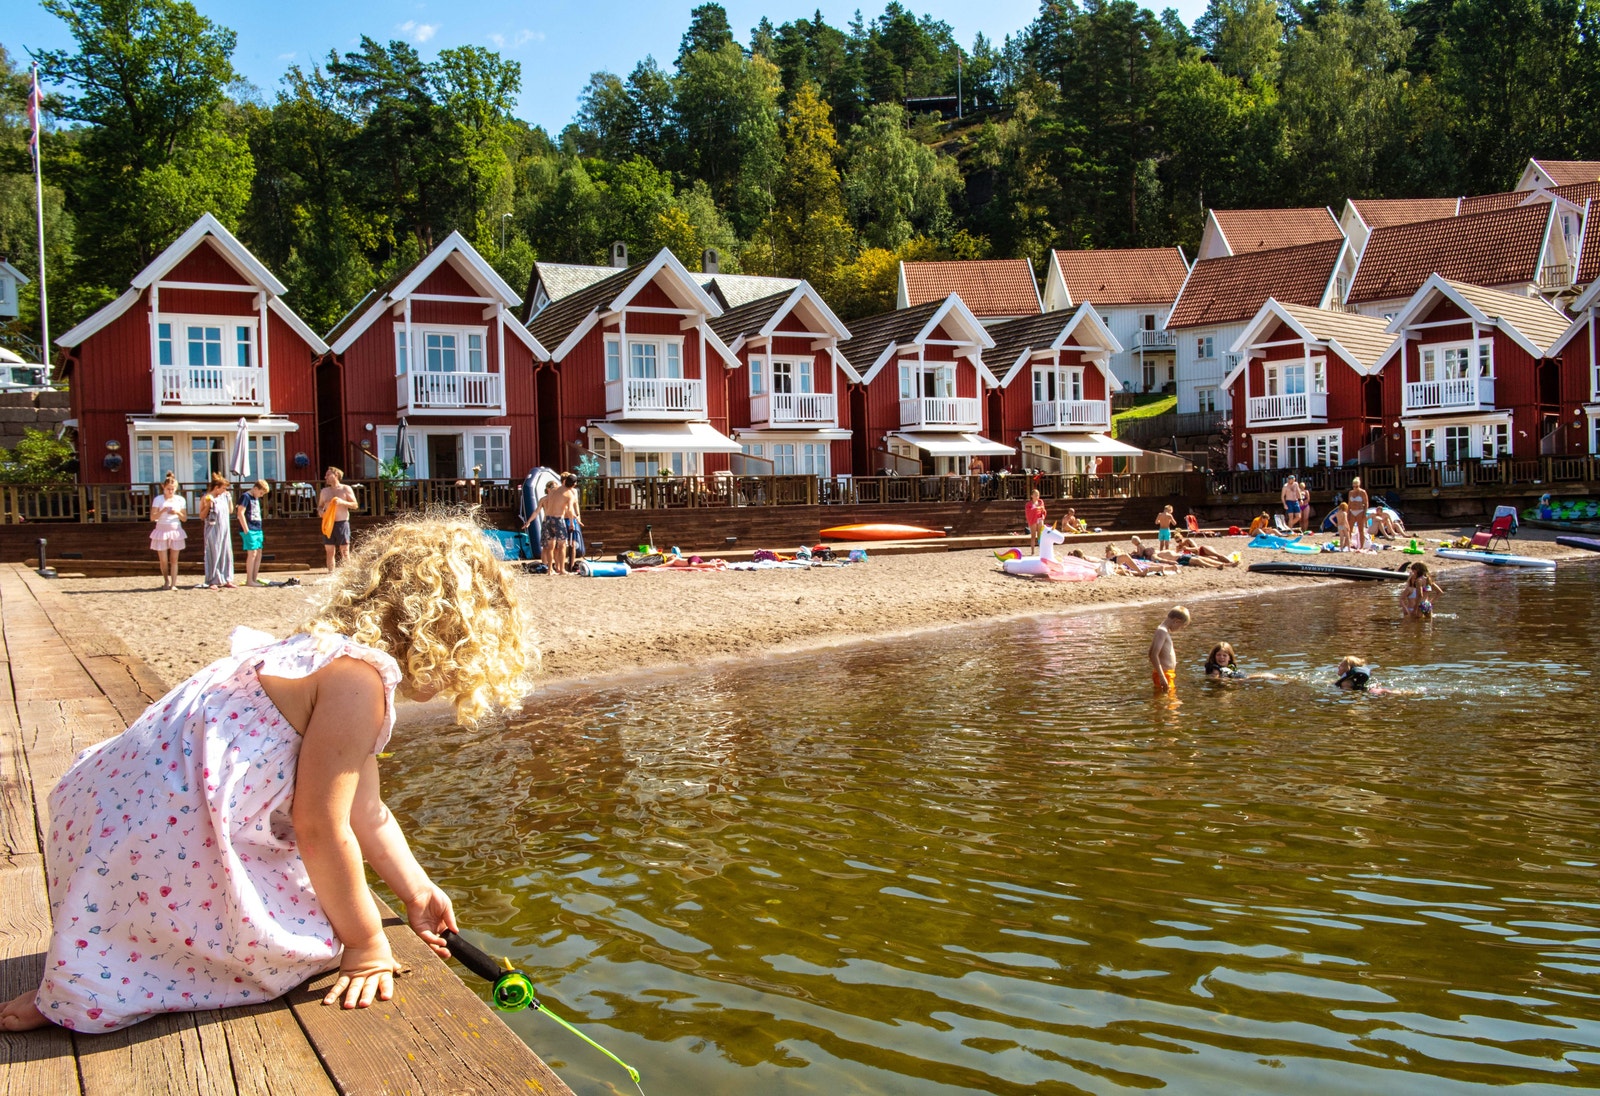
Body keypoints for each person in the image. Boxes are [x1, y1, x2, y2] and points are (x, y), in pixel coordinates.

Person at [0, 517, 533, 1034]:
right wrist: (365, 944)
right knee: (316, 939)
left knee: (320, 893)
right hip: (157, 845)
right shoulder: (358, 684)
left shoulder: (318, 654)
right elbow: (321, 825)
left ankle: (86, 975)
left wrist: (416, 891)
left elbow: (366, 811)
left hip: (106, 824)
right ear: (449, 631)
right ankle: (86, 990)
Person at [148, 473, 187, 591]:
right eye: (168, 489)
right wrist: (162, 511)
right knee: (163, 559)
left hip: (175, 529)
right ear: (163, 488)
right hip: (161, 529)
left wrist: (177, 512)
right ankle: (166, 580)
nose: (170, 491)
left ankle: (174, 583)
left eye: (173, 489)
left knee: (174, 559)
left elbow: (184, 518)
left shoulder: (180, 500)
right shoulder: (158, 499)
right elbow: (152, 517)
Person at [197, 473, 236, 589]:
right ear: (216, 487)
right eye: (223, 488)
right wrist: (208, 505)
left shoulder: (224, 496)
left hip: (224, 528)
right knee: (213, 553)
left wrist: (229, 499)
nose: (225, 490)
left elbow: (230, 510)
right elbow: (202, 515)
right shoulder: (207, 497)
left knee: (226, 552)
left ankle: (227, 578)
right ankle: (212, 580)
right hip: (213, 529)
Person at [318, 467, 358, 570]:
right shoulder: (324, 491)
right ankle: (331, 574)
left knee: (344, 550)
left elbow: (355, 505)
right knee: (329, 551)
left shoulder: (345, 489)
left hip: (342, 522)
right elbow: (320, 506)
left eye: (327, 475)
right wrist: (320, 511)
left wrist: (342, 502)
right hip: (328, 523)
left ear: (335, 475)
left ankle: (348, 574)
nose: (325, 477)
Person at [1148, 606, 1190, 694]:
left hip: (1167, 673)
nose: (1179, 629)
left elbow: (1150, 653)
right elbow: (1153, 654)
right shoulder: (1162, 631)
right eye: (1181, 626)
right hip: (1165, 674)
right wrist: (1162, 676)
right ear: (1177, 621)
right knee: (1169, 701)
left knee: (1166, 699)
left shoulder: (1162, 630)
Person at [237, 479, 270, 587]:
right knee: (252, 553)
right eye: (261, 493)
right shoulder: (246, 496)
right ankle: (249, 580)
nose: (261, 496)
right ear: (255, 488)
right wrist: (246, 529)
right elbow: (240, 513)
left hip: (257, 528)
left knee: (259, 552)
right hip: (250, 528)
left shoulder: (255, 498)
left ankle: (254, 578)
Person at [536, 481, 567, 575]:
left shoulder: (555, 499)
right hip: (548, 521)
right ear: (548, 489)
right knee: (547, 546)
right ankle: (546, 566)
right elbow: (537, 511)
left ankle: (556, 567)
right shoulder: (544, 499)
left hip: (551, 521)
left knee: (557, 547)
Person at [557, 473, 584, 572]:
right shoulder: (561, 491)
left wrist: (578, 516)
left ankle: (572, 565)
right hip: (564, 518)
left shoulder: (574, 492)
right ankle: (560, 566)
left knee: (573, 543)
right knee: (562, 544)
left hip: (572, 518)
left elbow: (575, 504)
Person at [1346, 476, 1369, 551]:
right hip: (1352, 511)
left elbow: (1366, 503)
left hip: (1360, 511)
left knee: (1360, 530)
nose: (1355, 488)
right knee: (1349, 529)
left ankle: (1361, 546)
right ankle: (1348, 544)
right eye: (1354, 486)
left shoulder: (1363, 492)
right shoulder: (1351, 493)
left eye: (1357, 486)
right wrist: (1348, 513)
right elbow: (1349, 504)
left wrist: (1365, 513)